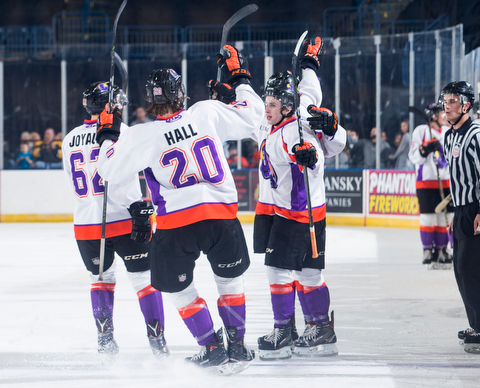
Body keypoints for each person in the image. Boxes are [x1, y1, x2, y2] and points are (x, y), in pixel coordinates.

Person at [97, 52, 264, 373]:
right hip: (221, 219)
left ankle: (211, 346)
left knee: (177, 289)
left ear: (149, 99)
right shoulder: (206, 112)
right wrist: (239, 78)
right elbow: (253, 114)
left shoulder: (140, 134)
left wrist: (108, 133)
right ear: (181, 93)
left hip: (177, 224)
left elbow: (108, 170)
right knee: (230, 283)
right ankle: (237, 347)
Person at [246, 37, 345, 361]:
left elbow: (319, 154)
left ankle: (285, 330)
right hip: (283, 209)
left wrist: (311, 156)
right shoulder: (280, 115)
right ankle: (320, 328)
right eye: (267, 103)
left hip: (298, 213)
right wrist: (310, 63)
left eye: (273, 104)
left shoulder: (297, 129)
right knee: (307, 273)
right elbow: (310, 87)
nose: (267, 109)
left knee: (279, 271)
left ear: (286, 107)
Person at [62, 81, 169, 358]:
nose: (120, 105)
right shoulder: (120, 131)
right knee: (144, 280)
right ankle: (157, 342)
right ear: (106, 105)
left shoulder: (70, 137)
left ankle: (105, 340)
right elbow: (121, 176)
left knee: (100, 280)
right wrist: (138, 205)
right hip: (122, 218)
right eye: (116, 101)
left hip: (86, 223)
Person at [441, 81, 480, 354]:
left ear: (466, 104)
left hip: (476, 210)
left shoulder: (476, 133)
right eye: (445, 99)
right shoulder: (449, 135)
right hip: (463, 210)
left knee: (472, 269)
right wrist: (457, 209)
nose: (447, 104)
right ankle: (474, 324)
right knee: (460, 270)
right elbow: (457, 178)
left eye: (453, 99)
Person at [408, 103, 453, 269]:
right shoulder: (421, 131)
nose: (445, 115)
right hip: (426, 183)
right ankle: (427, 251)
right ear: (434, 115)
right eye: (442, 112)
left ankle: (441, 251)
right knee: (428, 218)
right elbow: (414, 157)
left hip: (446, 182)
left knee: (444, 220)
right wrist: (424, 149)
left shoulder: (448, 131)